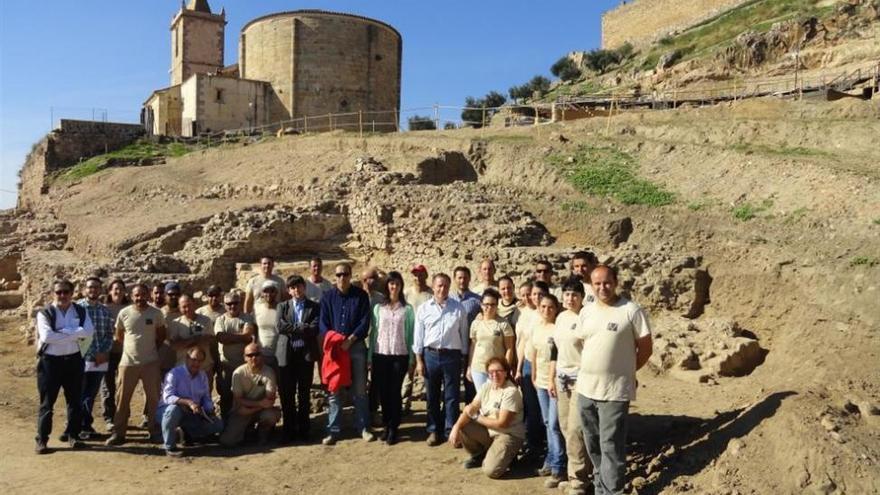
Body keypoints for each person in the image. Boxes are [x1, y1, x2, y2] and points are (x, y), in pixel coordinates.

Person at [577, 265, 653, 495]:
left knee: (610, 444)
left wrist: (627, 371)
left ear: (616, 281)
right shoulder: (586, 311)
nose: (602, 287)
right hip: (586, 389)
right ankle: (602, 486)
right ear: (591, 284)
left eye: (607, 282)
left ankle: (613, 491)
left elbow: (646, 349)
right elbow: (584, 344)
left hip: (614, 391)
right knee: (592, 442)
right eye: (597, 283)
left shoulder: (631, 310)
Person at [34, 279, 95, 454]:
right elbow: (46, 337)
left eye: (66, 292)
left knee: (75, 401)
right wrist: (74, 333)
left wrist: (62, 333)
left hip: (74, 361)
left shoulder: (80, 311)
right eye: (59, 292)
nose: (62, 295)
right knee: (47, 403)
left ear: (72, 293)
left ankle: (73, 436)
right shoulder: (45, 313)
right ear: (52, 294)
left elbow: (89, 331)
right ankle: (42, 440)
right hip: (50, 363)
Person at [319, 262, 372, 444]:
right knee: (335, 390)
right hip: (336, 349)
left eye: (345, 274)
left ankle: (363, 427)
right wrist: (336, 340)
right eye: (339, 275)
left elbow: (365, 321)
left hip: (355, 346)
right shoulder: (327, 297)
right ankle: (333, 430)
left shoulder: (361, 296)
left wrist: (351, 339)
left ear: (351, 275)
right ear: (335, 277)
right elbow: (323, 323)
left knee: (360, 389)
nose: (342, 278)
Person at [413, 273, 469, 446]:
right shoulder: (424, 309)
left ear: (449, 286)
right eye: (439, 285)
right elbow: (418, 338)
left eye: (445, 285)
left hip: (452, 356)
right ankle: (433, 430)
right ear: (433, 286)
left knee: (451, 396)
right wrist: (419, 361)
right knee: (432, 396)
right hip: (430, 355)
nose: (442, 289)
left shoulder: (458, 308)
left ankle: (450, 431)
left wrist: (464, 359)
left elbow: (464, 335)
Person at [106, 283, 166, 446]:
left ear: (148, 295)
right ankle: (119, 433)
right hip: (128, 363)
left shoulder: (156, 313)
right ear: (132, 296)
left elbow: (161, 336)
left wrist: (149, 349)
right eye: (136, 295)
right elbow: (119, 336)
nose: (140, 298)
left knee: (154, 399)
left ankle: (154, 431)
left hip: (150, 362)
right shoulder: (124, 313)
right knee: (122, 399)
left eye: (143, 294)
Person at [449, 357, 525, 479]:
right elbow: (471, 408)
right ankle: (479, 455)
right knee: (464, 424)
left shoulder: (511, 391)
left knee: (491, 471)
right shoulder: (486, 387)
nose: (494, 375)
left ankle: (509, 455)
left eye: (498, 371)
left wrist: (476, 417)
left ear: (506, 372)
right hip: (490, 431)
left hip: (508, 434)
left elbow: (502, 424)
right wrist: (456, 427)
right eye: (491, 372)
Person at [550, 279, 591, 495]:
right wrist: (552, 377)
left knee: (576, 429)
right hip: (562, 378)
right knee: (566, 427)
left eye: (574, 294)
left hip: (580, 379)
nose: (570, 298)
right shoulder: (561, 317)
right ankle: (574, 473)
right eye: (566, 294)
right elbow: (556, 349)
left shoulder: (587, 317)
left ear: (582, 297)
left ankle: (579, 481)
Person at [368, 271, 415, 445]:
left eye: (396, 284)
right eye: (391, 283)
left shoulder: (408, 309)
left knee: (395, 392)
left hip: (399, 355)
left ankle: (394, 428)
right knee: (383, 392)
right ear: (387, 286)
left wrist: (411, 359)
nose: (393, 287)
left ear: (401, 286)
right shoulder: (378, 308)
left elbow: (410, 335)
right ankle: (386, 425)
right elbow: (374, 334)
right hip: (380, 354)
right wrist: (369, 357)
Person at [529, 293, 567, 488]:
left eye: (550, 307)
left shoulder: (558, 329)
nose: (546, 310)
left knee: (554, 424)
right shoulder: (537, 328)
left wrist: (551, 379)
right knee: (546, 422)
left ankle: (559, 467)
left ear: (556, 308)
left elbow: (558, 357)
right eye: (543, 307)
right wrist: (534, 376)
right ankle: (551, 460)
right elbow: (533, 354)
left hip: (554, 382)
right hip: (541, 382)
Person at [276, 275, 320, 442]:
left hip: (305, 355)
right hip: (287, 354)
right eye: (293, 288)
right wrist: (301, 327)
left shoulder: (314, 307)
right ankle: (288, 429)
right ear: (288, 290)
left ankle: (304, 429)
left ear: (304, 287)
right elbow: (280, 327)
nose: (296, 290)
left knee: (303, 393)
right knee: (287, 393)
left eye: (299, 286)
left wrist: (294, 328)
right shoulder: (283, 306)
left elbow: (314, 328)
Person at [158, 346, 224, 457]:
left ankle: (187, 434)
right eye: (194, 360)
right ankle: (170, 447)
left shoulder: (202, 376)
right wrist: (188, 402)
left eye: (199, 361)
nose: (196, 363)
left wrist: (209, 409)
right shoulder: (174, 373)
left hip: (192, 412)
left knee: (218, 425)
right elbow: (167, 397)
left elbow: (206, 397)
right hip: (168, 411)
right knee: (173, 411)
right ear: (187, 359)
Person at [219, 343, 282, 447]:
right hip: (242, 411)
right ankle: (248, 431)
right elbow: (238, 399)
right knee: (227, 441)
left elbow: (270, 399)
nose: (254, 358)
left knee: (270, 416)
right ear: (244, 358)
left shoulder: (269, 372)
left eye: (257, 354)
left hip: (258, 409)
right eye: (250, 355)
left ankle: (263, 435)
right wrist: (260, 404)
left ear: (262, 356)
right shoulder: (238, 373)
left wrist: (257, 406)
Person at [514, 280, 548, 462]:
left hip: (545, 366)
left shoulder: (551, 314)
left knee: (545, 408)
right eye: (533, 294)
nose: (535, 297)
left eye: (539, 294)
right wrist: (519, 368)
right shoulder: (528, 315)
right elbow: (524, 344)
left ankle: (544, 444)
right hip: (528, 363)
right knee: (531, 406)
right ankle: (533, 444)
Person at [76, 277, 113, 440]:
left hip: (100, 359)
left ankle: (85, 425)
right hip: (82, 358)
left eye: (96, 288)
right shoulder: (77, 309)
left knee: (91, 394)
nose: (93, 290)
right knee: (79, 393)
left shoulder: (104, 310)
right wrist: (93, 352)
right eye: (90, 287)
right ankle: (78, 425)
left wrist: (103, 352)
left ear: (100, 290)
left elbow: (109, 335)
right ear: (85, 289)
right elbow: (76, 335)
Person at [214, 292, 256, 420]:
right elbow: (221, 338)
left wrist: (231, 337)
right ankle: (226, 425)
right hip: (226, 365)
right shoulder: (220, 320)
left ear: (240, 303)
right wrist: (241, 337)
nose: (232, 306)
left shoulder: (247, 318)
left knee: (245, 395)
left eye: (235, 303)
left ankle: (246, 426)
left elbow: (248, 335)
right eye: (229, 304)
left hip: (244, 366)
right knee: (226, 396)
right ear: (225, 305)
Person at [467, 289, 515, 393]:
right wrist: (469, 366)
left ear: (497, 306)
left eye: (493, 304)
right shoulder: (476, 323)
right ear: (481, 305)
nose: (489, 307)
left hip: (496, 370)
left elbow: (509, 349)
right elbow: (473, 346)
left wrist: (505, 369)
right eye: (486, 304)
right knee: (482, 399)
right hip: (478, 368)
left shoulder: (503, 324)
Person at [167, 295, 215, 390]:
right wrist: (195, 339)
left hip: (204, 367)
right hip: (183, 368)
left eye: (189, 305)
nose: (187, 309)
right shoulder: (176, 323)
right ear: (179, 308)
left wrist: (185, 342)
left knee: (205, 396)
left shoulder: (205, 321)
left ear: (195, 304)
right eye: (184, 307)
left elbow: (209, 340)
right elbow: (174, 346)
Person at [101, 278, 129, 431]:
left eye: (120, 288)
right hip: (108, 352)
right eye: (115, 288)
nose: (118, 291)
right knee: (107, 386)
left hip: (126, 353)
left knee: (124, 386)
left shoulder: (130, 308)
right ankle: (109, 417)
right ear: (110, 291)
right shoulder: (104, 309)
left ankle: (123, 415)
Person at [253, 281, 282, 373]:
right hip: (262, 354)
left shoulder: (282, 308)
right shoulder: (257, 308)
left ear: (276, 292)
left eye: (272, 291)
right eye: (266, 291)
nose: (269, 294)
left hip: (279, 355)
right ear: (262, 293)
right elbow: (254, 329)